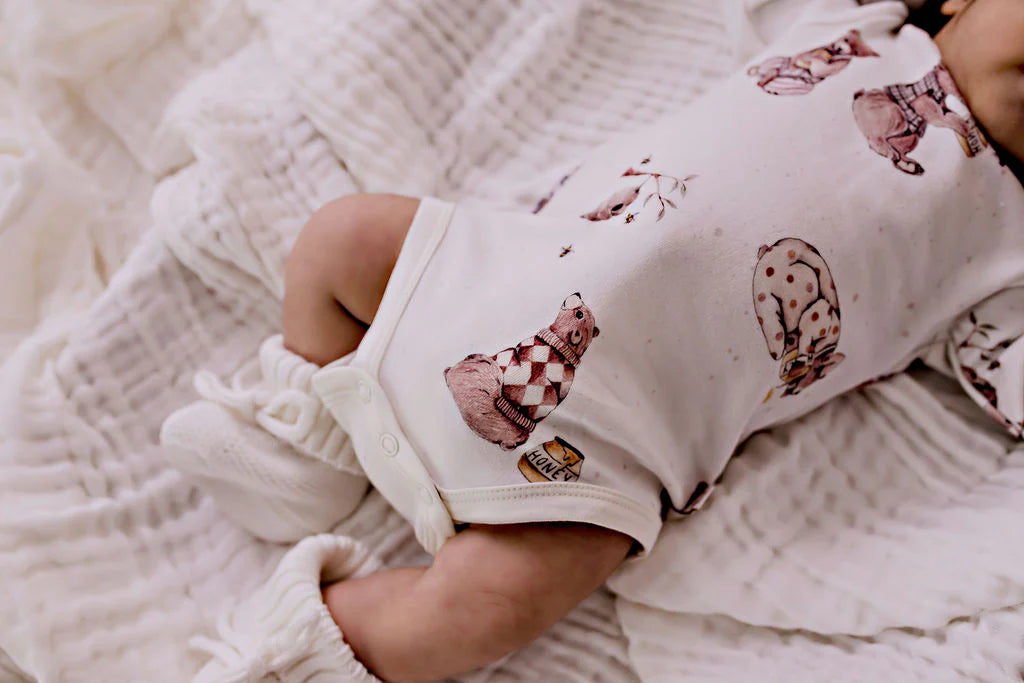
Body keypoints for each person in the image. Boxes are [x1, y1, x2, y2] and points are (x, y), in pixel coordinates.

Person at [162, 0, 1024, 680]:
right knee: (342, 238)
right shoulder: (854, 27)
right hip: (484, 271)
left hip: (605, 451)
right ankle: (305, 439)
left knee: (487, 610)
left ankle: (293, 654)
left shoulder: (1009, 250)